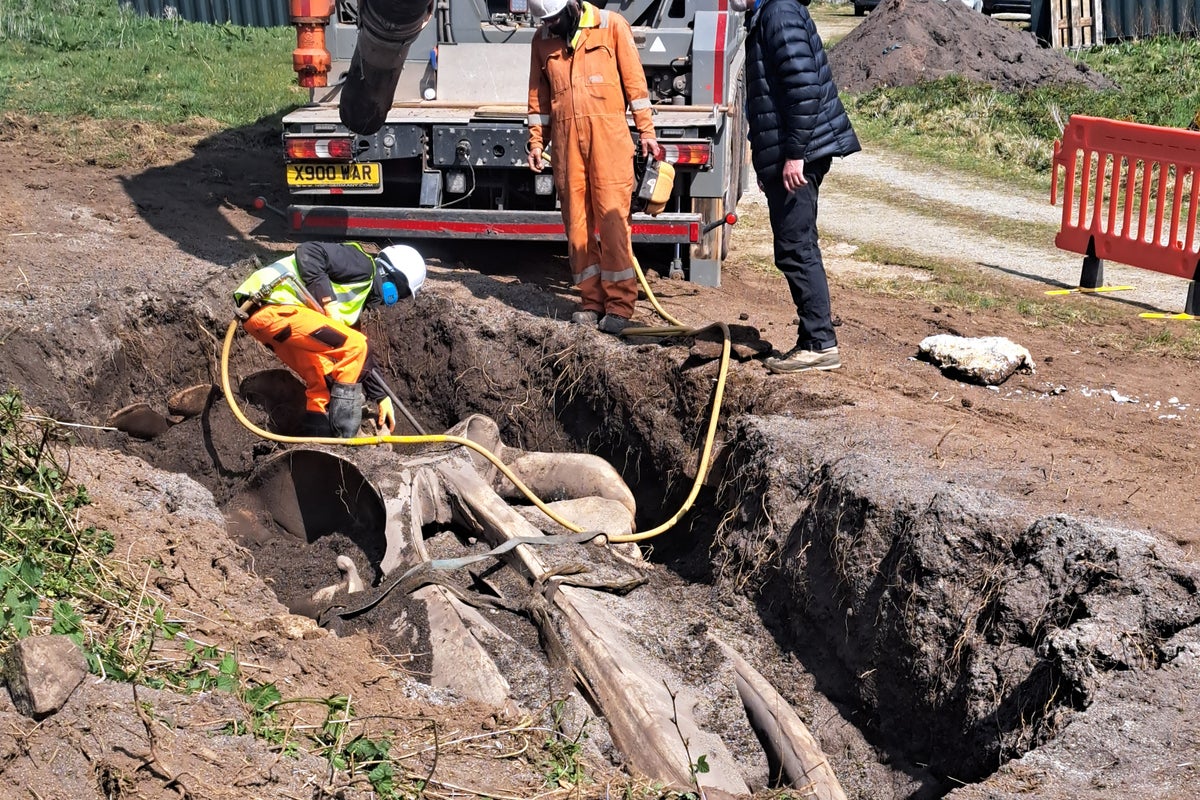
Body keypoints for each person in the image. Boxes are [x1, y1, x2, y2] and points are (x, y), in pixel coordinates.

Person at [525, 0, 664, 335]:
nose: (552, 26)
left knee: (613, 222)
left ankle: (619, 305)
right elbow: (538, 99)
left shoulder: (612, 26)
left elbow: (635, 84)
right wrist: (535, 142)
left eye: (556, 18)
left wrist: (646, 130)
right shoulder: (542, 39)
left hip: (609, 142)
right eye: (546, 20)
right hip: (566, 144)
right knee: (577, 226)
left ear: (573, 5)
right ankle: (591, 301)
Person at [737, 0, 860, 372]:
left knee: (796, 248)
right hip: (790, 156)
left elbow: (803, 88)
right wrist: (767, 163)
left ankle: (819, 343)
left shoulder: (779, 14)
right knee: (795, 246)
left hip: (800, 155)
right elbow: (767, 98)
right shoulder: (769, 15)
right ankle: (814, 340)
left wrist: (794, 155)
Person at [233, 242, 426, 437]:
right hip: (271, 304)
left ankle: (317, 439)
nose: (389, 302)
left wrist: (381, 396)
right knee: (356, 346)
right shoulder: (362, 265)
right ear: (390, 275)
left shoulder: (355, 302)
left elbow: (362, 359)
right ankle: (344, 438)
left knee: (324, 379)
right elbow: (309, 251)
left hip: (265, 321)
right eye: (395, 295)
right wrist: (329, 302)